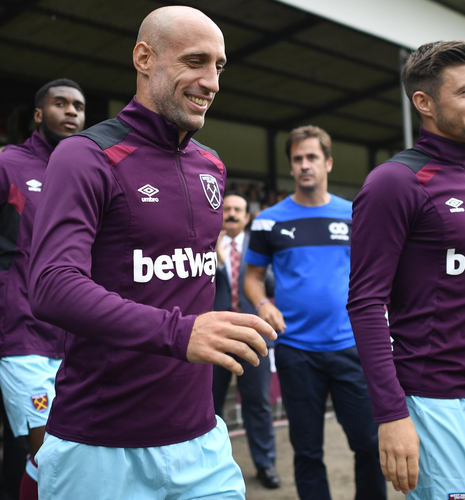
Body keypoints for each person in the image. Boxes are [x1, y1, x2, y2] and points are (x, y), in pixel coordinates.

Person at [28, 6, 276, 500]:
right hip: (101, 446)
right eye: (196, 61)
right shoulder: (86, 155)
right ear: (145, 58)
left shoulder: (212, 166)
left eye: (219, 66)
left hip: (202, 440)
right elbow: (52, 286)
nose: (212, 82)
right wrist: (180, 332)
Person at [347, 41, 465, 499]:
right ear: (424, 103)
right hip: (433, 402)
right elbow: (366, 303)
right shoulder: (393, 183)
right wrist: (392, 416)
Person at [244, 125, 386, 500]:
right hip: (296, 352)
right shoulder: (268, 220)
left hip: (350, 347)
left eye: (312, 158)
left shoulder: (356, 214)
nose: (305, 165)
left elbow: (374, 275)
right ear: (291, 166)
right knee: (307, 451)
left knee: (369, 444)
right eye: (298, 159)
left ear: (328, 163)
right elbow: (253, 279)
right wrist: (262, 304)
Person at [0, 78, 85, 500]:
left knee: (66, 452)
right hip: (22, 334)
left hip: (76, 336)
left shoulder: (91, 166)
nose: (71, 112)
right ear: (38, 114)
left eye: (78, 106)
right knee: (48, 453)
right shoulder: (8, 164)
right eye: (60, 103)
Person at [212, 191, 280, 489]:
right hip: (213, 337)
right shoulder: (206, 244)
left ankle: (265, 465)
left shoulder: (258, 247)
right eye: (227, 209)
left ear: (248, 216)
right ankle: (208, 467)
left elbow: (274, 283)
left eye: (239, 209)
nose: (232, 214)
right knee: (207, 405)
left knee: (258, 404)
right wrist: (217, 263)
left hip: (254, 336)